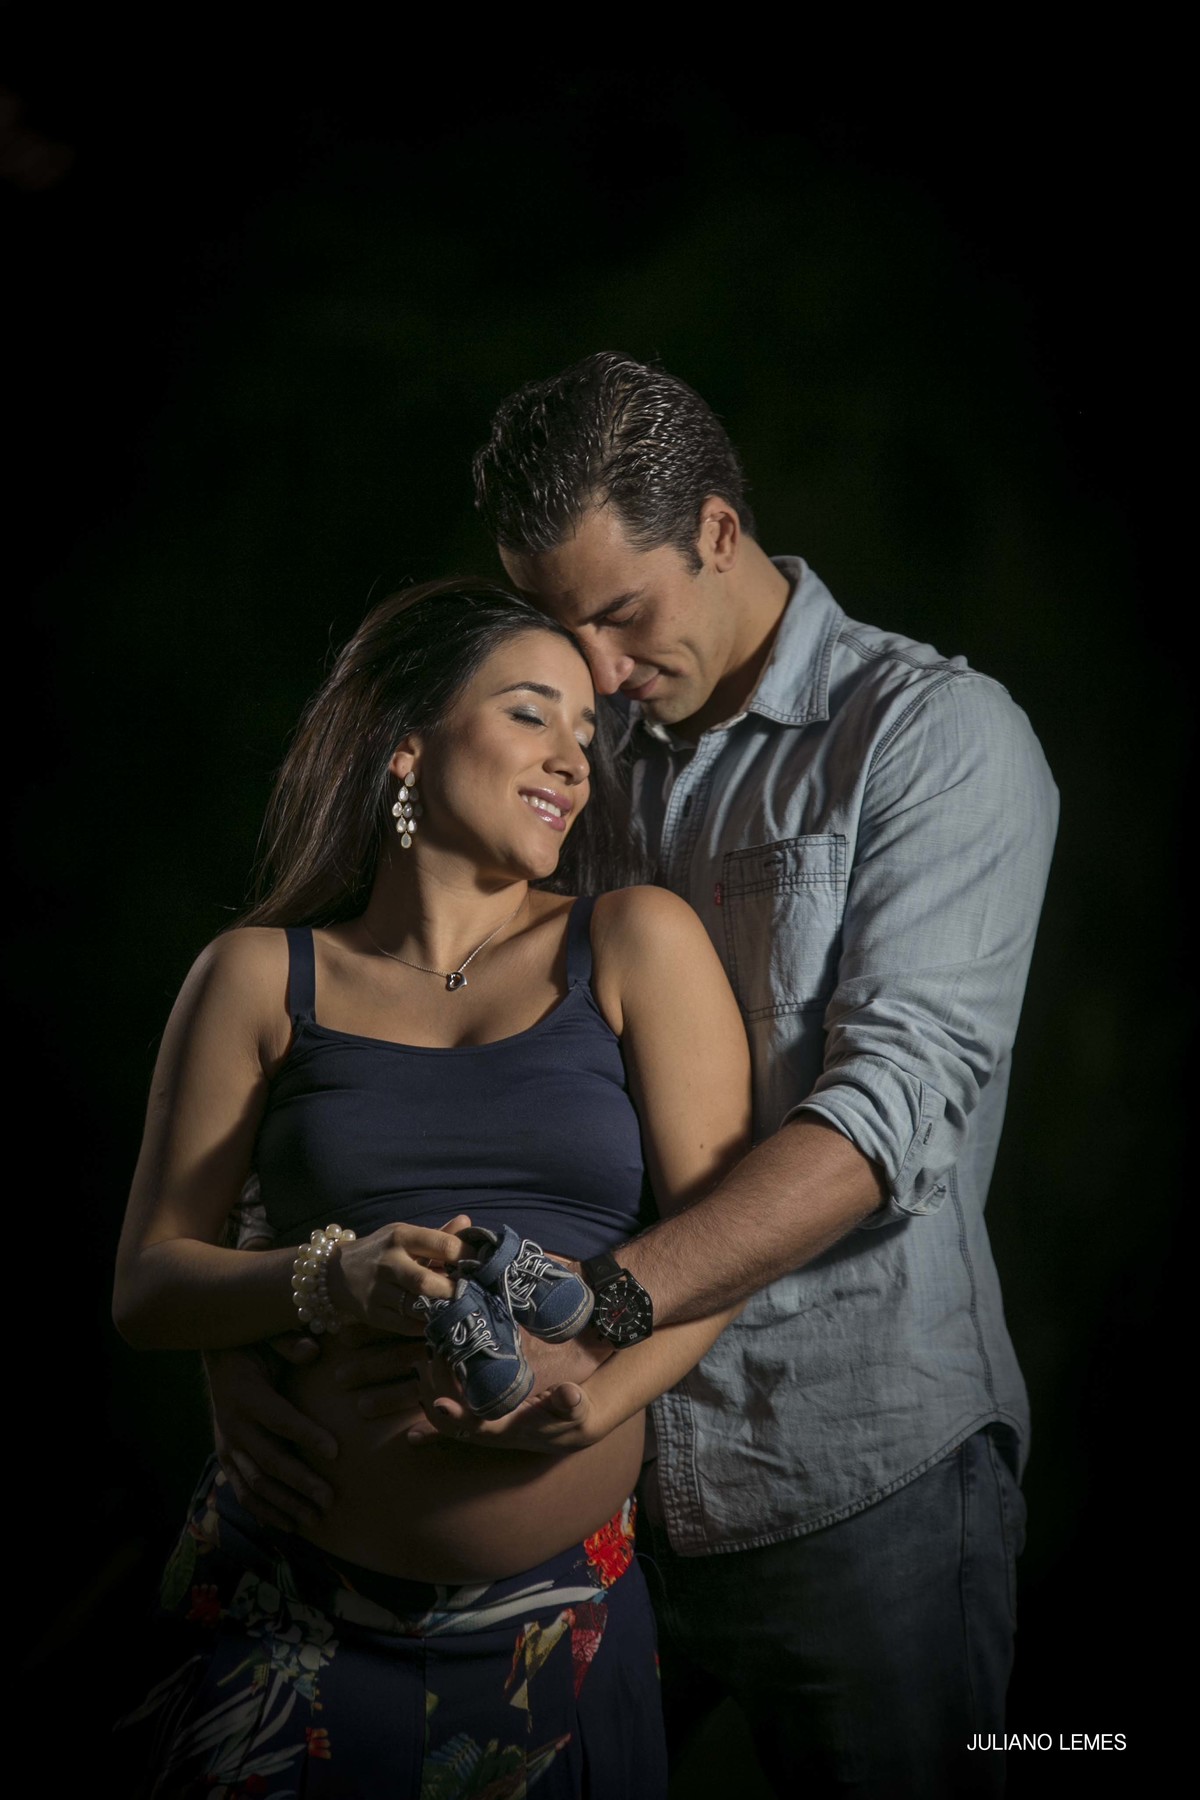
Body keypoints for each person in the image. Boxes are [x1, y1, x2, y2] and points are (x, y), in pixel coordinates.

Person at [211, 353, 1059, 1798]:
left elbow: (881, 1121)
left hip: (850, 1479)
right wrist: (243, 1346)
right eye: (552, 626)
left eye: (618, 613)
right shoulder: (553, 757)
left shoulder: (929, 739)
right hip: (580, 1533)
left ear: (719, 533)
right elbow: (364, 1048)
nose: (590, 670)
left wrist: (604, 1318)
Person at [112, 578, 753, 1798]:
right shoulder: (258, 977)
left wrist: (606, 1390)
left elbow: (726, 1248)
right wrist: (328, 1278)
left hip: (552, 1633)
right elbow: (149, 1284)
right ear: (407, 742)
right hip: (279, 1618)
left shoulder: (631, 942)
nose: (573, 757)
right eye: (532, 715)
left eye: (585, 732)